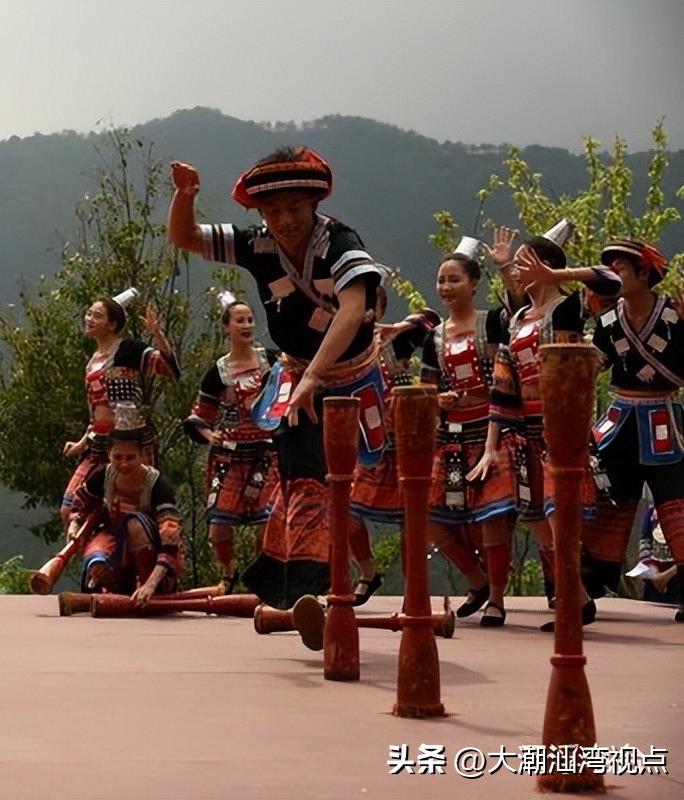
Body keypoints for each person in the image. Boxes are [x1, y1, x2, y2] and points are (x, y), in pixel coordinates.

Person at [168, 146, 385, 609]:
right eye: (272, 210)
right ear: (260, 211)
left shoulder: (341, 243)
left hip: (351, 380)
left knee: (345, 489)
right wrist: (185, 194)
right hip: (294, 375)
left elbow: (353, 311)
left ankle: (334, 583)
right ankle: (305, 590)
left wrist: (315, 379)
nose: (283, 220)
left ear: (314, 205)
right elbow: (185, 237)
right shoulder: (258, 243)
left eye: (293, 208)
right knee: (300, 479)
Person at [482, 221, 620, 630]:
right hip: (526, 427)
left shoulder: (569, 307)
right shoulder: (519, 316)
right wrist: (493, 443)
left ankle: (571, 603)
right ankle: (576, 597)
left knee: (561, 514)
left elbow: (610, 280)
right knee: (535, 514)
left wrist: (557, 276)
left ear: (545, 265)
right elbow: (503, 384)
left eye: (526, 263)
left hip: (562, 423)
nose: (519, 272)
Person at [585, 239, 684, 623]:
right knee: (607, 499)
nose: (614, 275)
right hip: (619, 420)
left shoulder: (676, 316)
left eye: (622, 268)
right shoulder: (608, 319)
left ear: (645, 273)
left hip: (662, 417)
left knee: (678, 505)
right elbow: (595, 363)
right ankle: (588, 586)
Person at [418, 237, 518, 626]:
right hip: (451, 438)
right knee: (431, 516)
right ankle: (476, 580)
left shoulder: (492, 322)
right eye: (441, 280)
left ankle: (496, 598)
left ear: (474, 283)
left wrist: (506, 266)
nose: (445, 287)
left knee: (492, 514)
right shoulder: (435, 337)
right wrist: (438, 398)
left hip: (491, 431)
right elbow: (426, 386)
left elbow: (520, 308)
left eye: (454, 280)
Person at [347, 285, 441, 605]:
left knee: (410, 518)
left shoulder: (395, 339)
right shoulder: (341, 347)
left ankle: (414, 589)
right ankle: (368, 572)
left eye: (372, 305)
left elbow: (431, 325)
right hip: (366, 445)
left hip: (402, 440)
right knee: (345, 510)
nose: (365, 311)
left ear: (382, 309)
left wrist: (407, 325)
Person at [182, 295, 279, 592]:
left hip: (266, 453)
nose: (247, 325)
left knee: (269, 520)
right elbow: (199, 416)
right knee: (219, 524)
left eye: (250, 319)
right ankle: (228, 573)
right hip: (230, 457)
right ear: (227, 327)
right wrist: (213, 437)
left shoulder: (272, 361)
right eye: (240, 320)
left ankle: (263, 579)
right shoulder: (218, 373)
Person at [60, 291, 179, 525]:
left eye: (97, 315)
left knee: (136, 509)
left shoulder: (128, 349)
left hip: (129, 441)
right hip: (99, 441)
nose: (89, 319)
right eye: (89, 313)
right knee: (71, 506)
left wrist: (157, 334)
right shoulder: (92, 361)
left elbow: (168, 368)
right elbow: (95, 412)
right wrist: (81, 443)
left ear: (112, 324)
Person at [66, 413, 185, 605]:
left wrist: (151, 584)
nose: (123, 463)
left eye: (130, 458)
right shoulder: (102, 476)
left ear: (142, 455)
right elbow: (81, 503)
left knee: (135, 523)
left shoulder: (158, 486)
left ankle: (152, 591)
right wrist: (75, 524)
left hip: (152, 548)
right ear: (108, 455)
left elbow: (170, 540)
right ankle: (123, 591)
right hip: (115, 540)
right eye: (117, 457)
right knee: (96, 562)